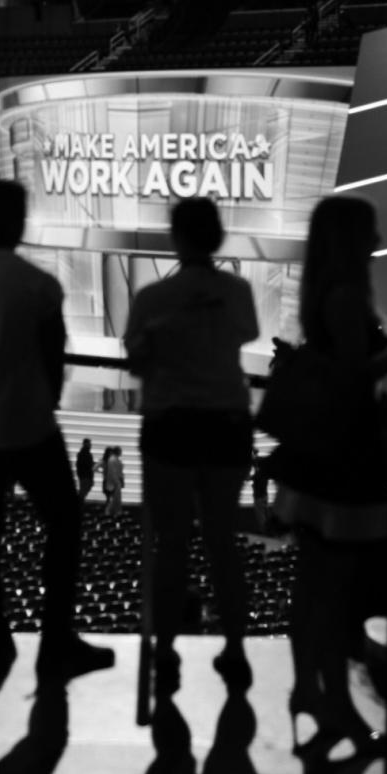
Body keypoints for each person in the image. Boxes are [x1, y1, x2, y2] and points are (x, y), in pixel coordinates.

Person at [0, 180, 115, 686]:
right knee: (64, 525)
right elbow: (53, 363)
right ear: (19, 221)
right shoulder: (39, 285)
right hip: (30, 427)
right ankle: (55, 640)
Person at [268, 194, 387, 761]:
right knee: (334, 593)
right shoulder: (348, 298)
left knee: (313, 586)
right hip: (345, 463)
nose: (378, 237)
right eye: (370, 229)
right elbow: (355, 380)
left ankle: (309, 692)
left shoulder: (324, 295)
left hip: (319, 464)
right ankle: (334, 706)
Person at [124, 197, 259, 693]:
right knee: (223, 543)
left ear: (174, 238)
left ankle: (165, 652)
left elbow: (138, 364)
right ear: (218, 236)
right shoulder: (238, 292)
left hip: (171, 426)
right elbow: (245, 333)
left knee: (171, 545)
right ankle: (236, 651)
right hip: (225, 424)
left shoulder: (151, 300)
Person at [104, 446, 124, 517]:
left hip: (115, 482)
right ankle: (111, 513)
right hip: (114, 483)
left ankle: (114, 513)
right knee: (115, 499)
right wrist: (117, 482)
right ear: (117, 452)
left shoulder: (114, 459)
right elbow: (113, 472)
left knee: (115, 499)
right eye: (120, 451)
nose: (121, 452)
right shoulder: (113, 460)